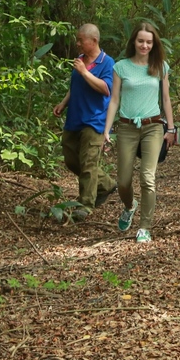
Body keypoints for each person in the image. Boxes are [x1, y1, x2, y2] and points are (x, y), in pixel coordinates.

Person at [102, 22, 172, 243]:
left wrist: (171, 127)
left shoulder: (160, 66)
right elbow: (114, 100)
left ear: (154, 44)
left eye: (149, 42)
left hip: (153, 126)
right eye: (141, 41)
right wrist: (106, 130)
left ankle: (145, 227)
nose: (144, 45)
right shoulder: (121, 67)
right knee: (123, 181)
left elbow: (166, 99)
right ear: (134, 41)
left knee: (147, 177)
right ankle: (129, 206)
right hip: (126, 127)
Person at [52, 24, 117, 221]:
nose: (77, 43)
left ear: (94, 41)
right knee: (72, 159)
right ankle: (106, 184)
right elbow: (76, 86)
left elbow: (106, 89)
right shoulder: (80, 60)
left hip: (95, 120)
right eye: (77, 40)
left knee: (88, 162)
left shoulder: (107, 63)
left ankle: (86, 204)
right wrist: (63, 103)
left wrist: (85, 72)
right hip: (75, 118)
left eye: (81, 40)